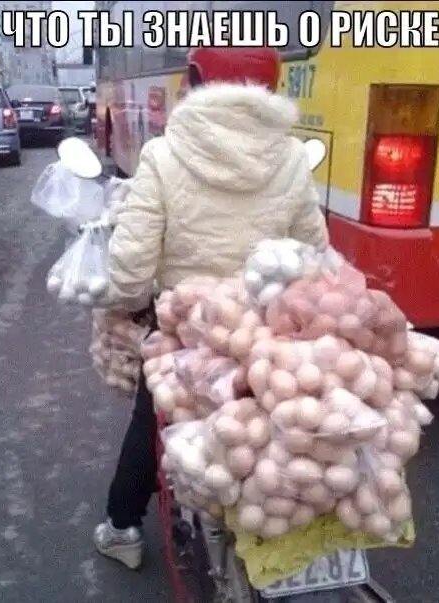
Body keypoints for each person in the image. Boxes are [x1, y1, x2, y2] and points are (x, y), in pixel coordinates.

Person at [93, 45, 329, 570]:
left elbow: (130, 267)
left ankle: (123, 528)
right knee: (276, 418)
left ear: (197, 82)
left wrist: (128, 304)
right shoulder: (291, 156)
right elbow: (313, 250)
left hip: (185, 326)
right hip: (265, 327)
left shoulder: (164, 154)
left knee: (152, 417)